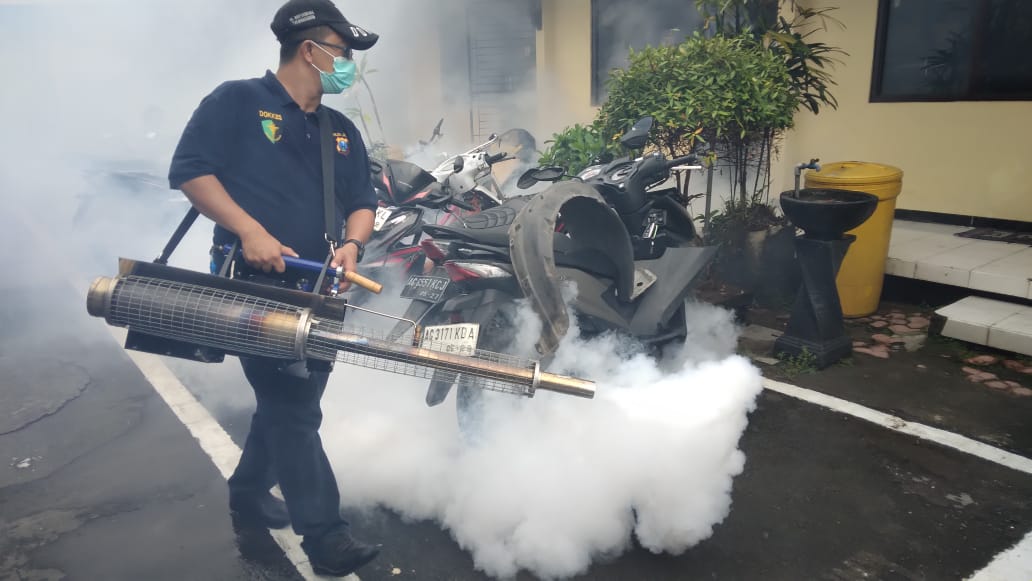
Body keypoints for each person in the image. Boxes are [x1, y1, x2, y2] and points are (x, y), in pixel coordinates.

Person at [167, 0, 380, 576]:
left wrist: (353, 244)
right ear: (310, 49)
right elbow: (189, 170)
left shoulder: (340, 130)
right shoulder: (238, 101)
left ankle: (247, 490)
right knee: (293, 409)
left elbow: (365, 201)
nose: (349, 65)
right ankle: (326, 538)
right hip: (255, 287)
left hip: (324, 291)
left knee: (296, 400)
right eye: (343, 52)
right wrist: (250, 229)